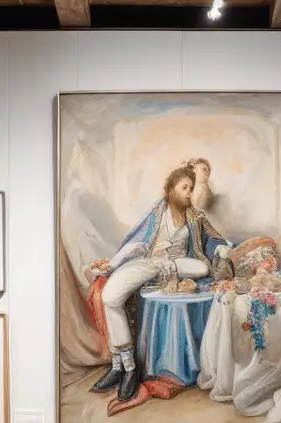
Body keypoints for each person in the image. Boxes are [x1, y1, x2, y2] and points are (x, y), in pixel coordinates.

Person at [89, 164, 232, 403]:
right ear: (171, 189)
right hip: (148, 263)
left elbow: (212, 240)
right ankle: (122, 366)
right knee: (110, 297)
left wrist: (220, 247)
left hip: (179, 264)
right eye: (184, 187)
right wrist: (113, 265)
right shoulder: (157, 213)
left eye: (191, 188)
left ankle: (129, 371)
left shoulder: (195, 217)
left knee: (203, 267)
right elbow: (137, 244)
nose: (189, 193)